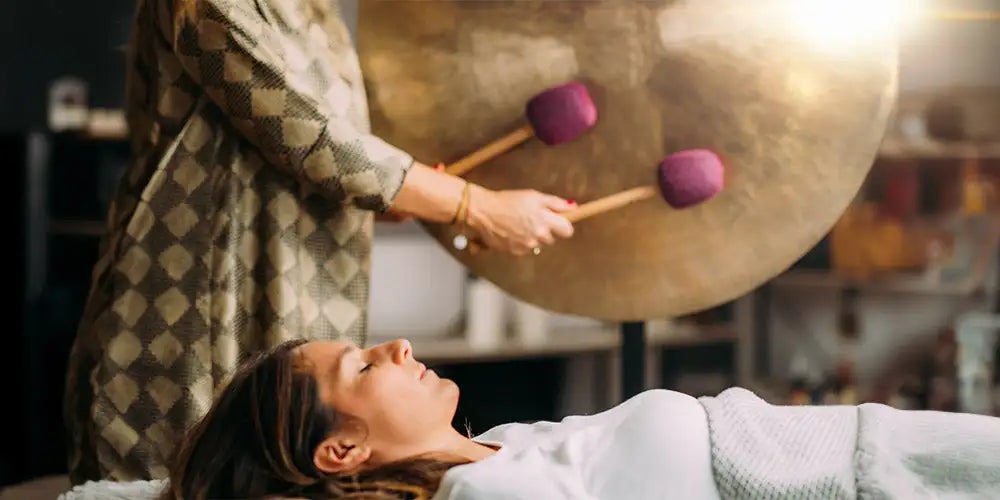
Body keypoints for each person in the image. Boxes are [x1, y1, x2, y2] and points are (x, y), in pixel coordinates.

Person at [62, 0, 576, 486]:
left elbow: (309, 160)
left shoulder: (318, 9)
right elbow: (309, 137)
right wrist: (473, 205)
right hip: (203, 283)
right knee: (190, 469)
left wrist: (393, 198)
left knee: (301, 475)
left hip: (311, 285)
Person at [60, 337, 999, 500]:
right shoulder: (488, 492)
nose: (392, 348)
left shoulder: (505, 449)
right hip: (876, 478)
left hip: (881, 448)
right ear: (341, 450)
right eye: (359, 364)